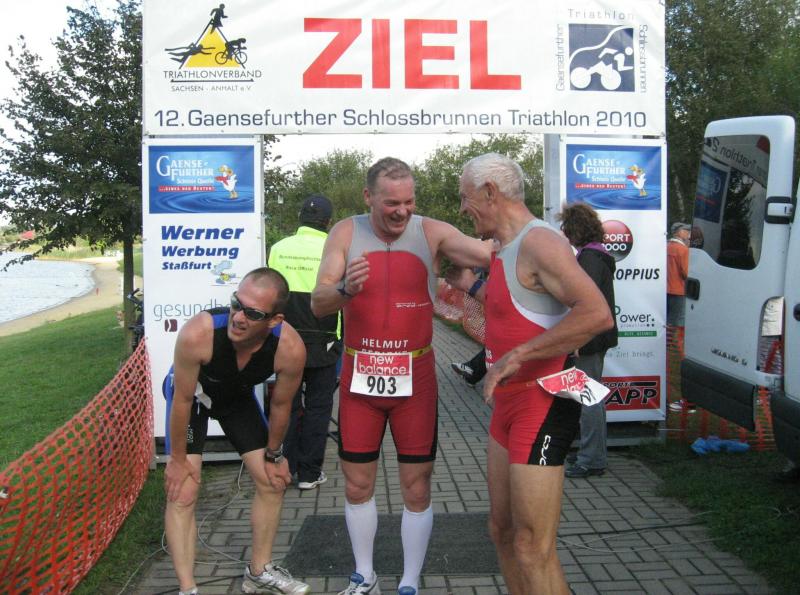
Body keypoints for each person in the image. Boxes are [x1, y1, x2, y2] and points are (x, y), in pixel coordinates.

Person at [311, 157, 492, 595]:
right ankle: (365, 575)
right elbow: (318, 303)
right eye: (392, 203)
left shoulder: (431, 232)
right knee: (357, 483)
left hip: (416, 379)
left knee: (417, 484)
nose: (402, 211)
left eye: (409, 202)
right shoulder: (346, 232)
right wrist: (345, 289)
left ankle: (410, 581)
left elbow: (492, 253)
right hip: (361, 377)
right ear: (368, 197)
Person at [453, 153, 613, 595]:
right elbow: (519, 305)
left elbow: (597, 314)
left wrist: (518, 355)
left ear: (490, 192)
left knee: (531, 546)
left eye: (465, 198)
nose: (463, 208)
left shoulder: (540, 241)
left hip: (541, 402)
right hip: (506, 405)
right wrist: (467, 286)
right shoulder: (502, 248)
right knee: (501, 531)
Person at [164, 268, 310, 595]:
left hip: (235, 398)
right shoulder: (198, 333)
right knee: (183, 489)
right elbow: (182, 400)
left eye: (253, 313)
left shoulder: (289, 347)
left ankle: (258, 573)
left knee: (272, 481)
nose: (239, 317)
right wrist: (177, 459)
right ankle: (187, 589)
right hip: (193, 399)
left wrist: (275, 455)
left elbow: (281, 405)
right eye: (236, 304)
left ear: (274, 320)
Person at [268, 194, 341, 490]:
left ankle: (287, 466)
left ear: (300, 218)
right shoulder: (335, 250)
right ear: (328, 222)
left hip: (285, 339)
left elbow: (272, 292)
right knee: (318, 407)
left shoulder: (278, 249)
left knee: (286, 404)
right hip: (324, 340)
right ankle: (310, 474)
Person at [557, 203, 618, 479]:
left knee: (589, 400)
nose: (564, 232)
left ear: (576, 229)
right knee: (587, 398)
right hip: (593, 337)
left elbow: (586, 304)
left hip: (590, 339)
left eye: (566, 227)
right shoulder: (594, 256)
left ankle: (592, 460)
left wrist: (578, 339)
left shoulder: (590, 259)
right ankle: (590, 451)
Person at [666, 221, 690, 327]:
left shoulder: (666, 246)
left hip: (665, 289)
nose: (688, 233)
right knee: (676, 320)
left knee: (666, 318)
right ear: (679, 232)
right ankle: (672, 338)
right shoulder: (683, 250)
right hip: (678, 290)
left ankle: (666, 337)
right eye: (686, 230)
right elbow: (686, 272)